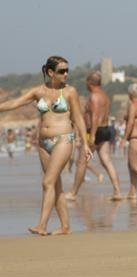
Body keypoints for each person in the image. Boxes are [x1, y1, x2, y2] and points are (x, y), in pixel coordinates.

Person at [0, 56, 92, 236]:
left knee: (47, 182)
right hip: (43, 143)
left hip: (64, 139)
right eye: (61, 71)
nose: (65, 74)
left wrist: (86, 144)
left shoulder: (70, 92)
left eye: (67, 70)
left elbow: (78, 118)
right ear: (50, 72)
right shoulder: (37, 91)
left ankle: (42, 224)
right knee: (55, 185)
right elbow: (14, 103)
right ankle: (66, 226)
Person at [66, 72, 122, 201]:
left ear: (90, 83)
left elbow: (96, 116)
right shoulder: (105, 96)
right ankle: (117, 192)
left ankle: (73, 193)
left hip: (94, 131)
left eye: (86, 82)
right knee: (106, 161)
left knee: (81, 162)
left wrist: (91, 136)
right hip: (105, 129)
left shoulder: (94, 97)